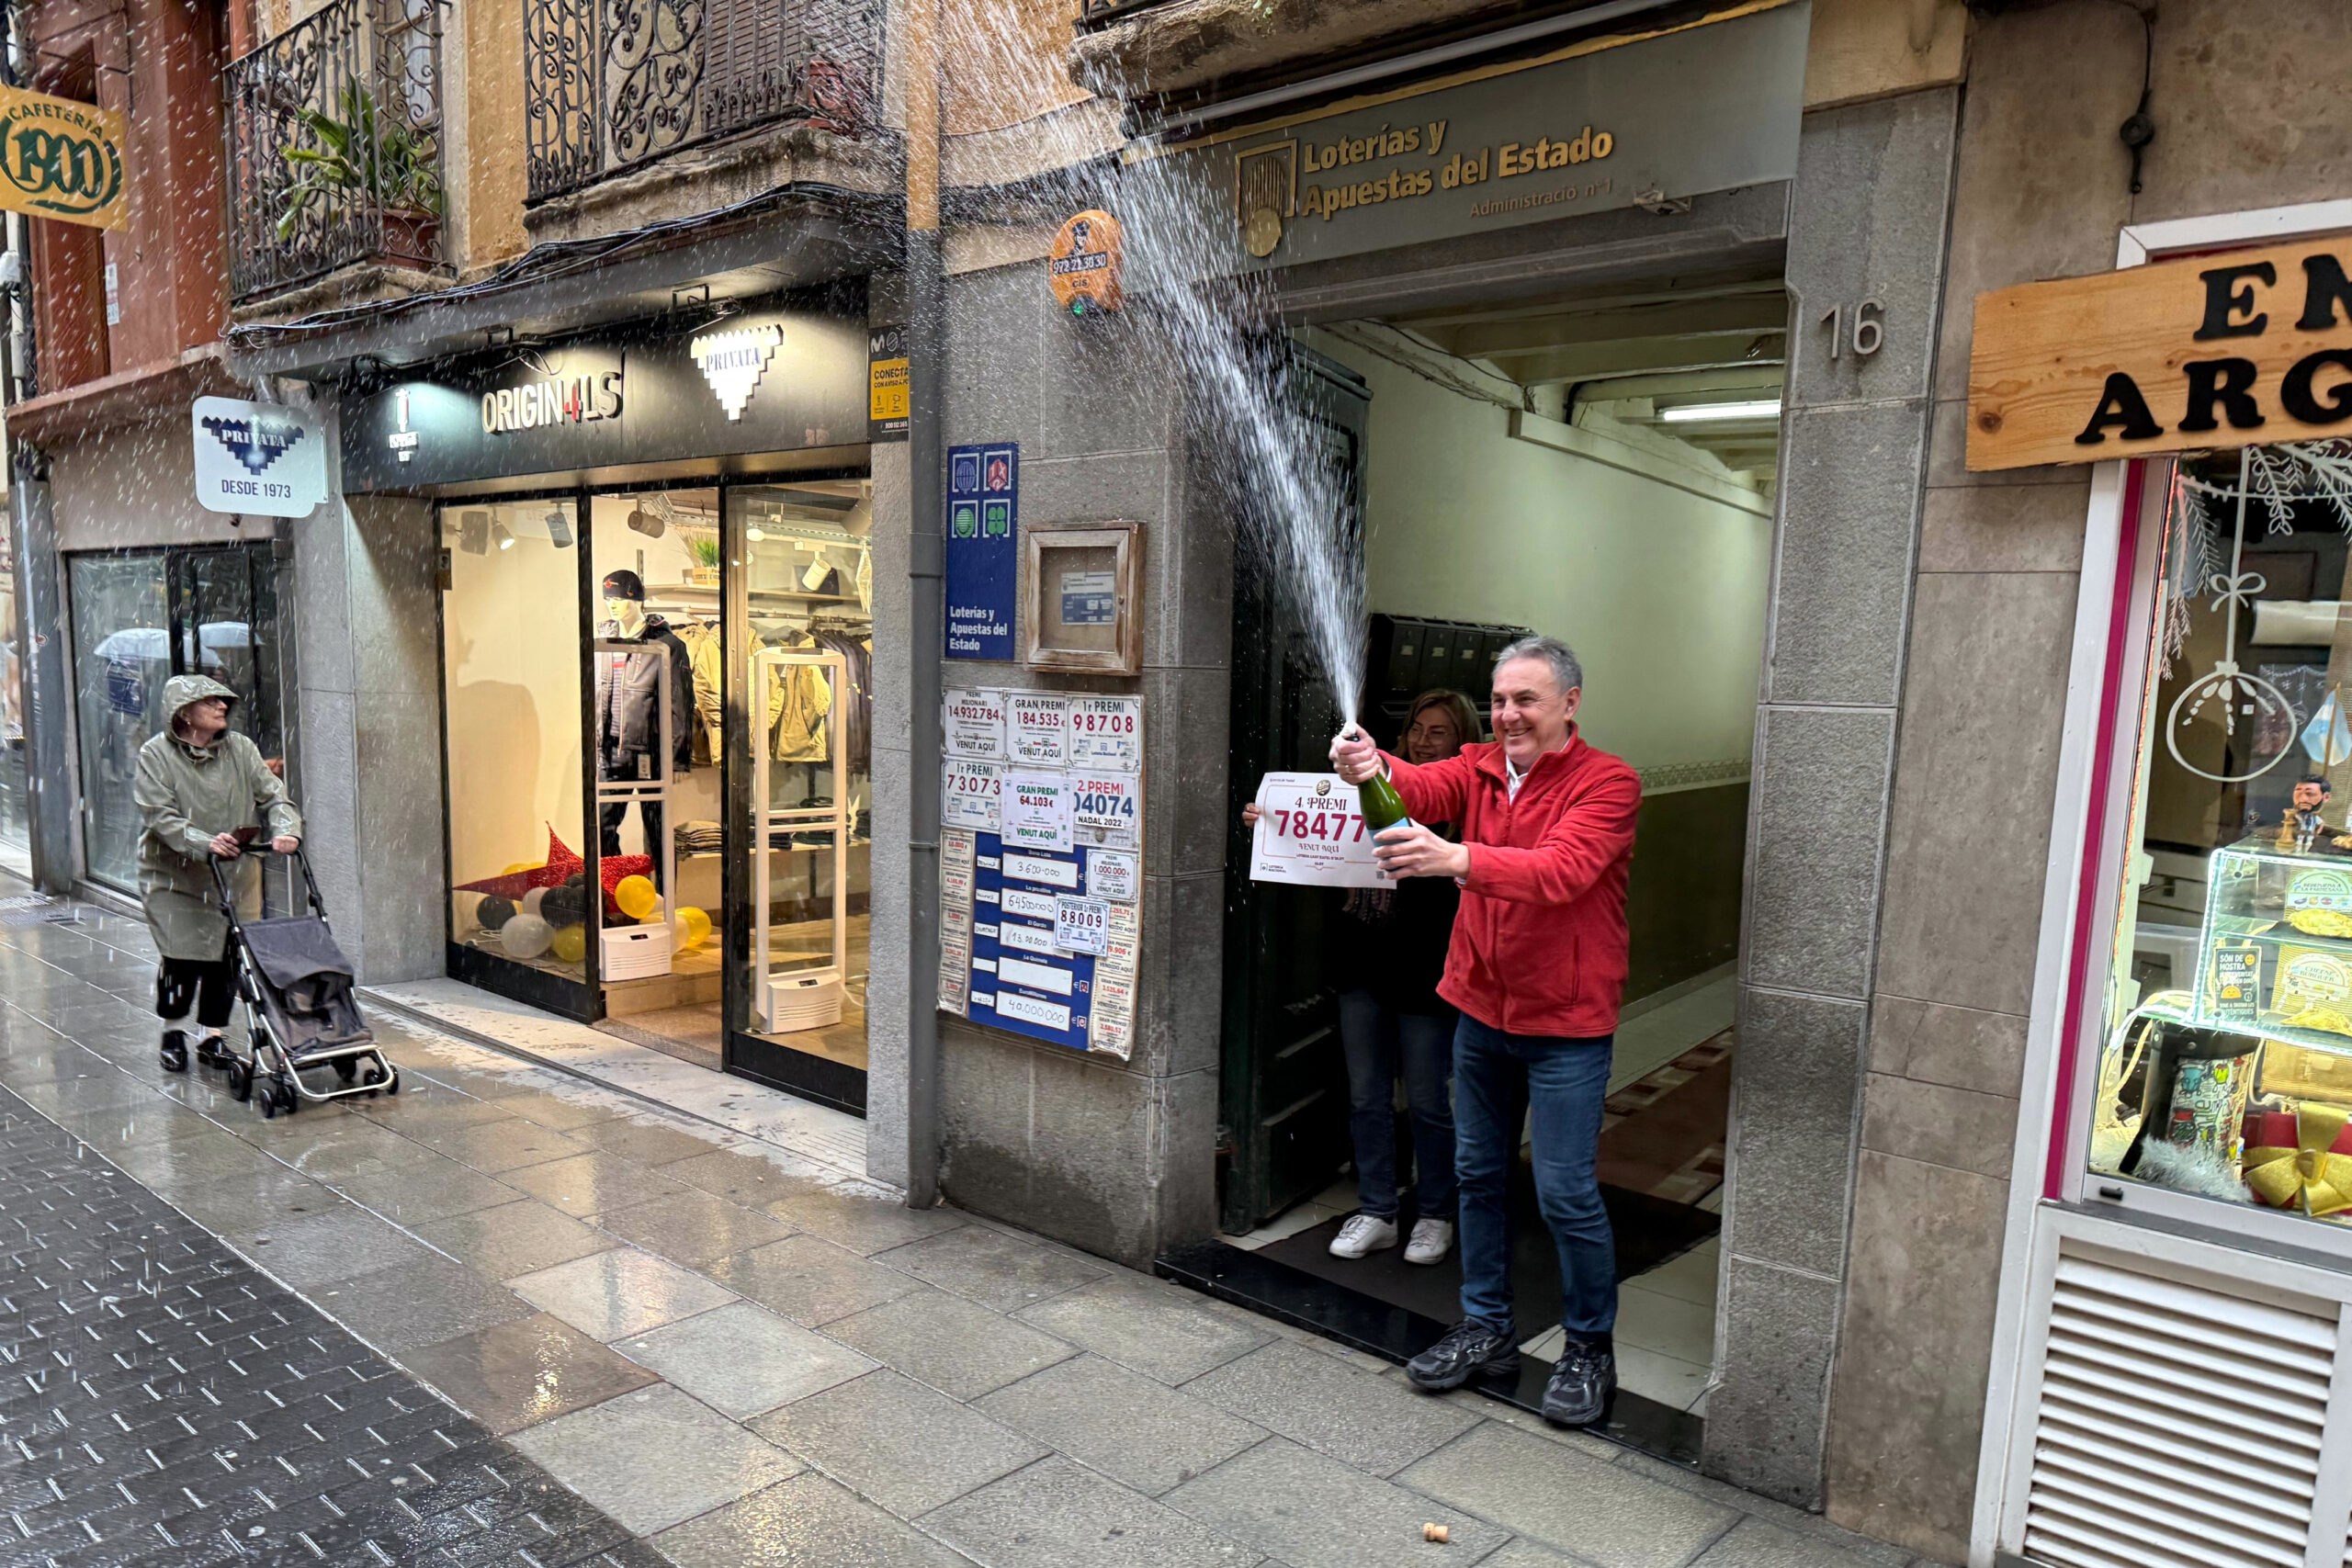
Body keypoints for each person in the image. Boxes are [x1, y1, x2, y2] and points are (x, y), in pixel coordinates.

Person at [1331, 635, 1640, 1428]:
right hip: (1479, 1012)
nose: (1509, 714)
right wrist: (1369, 763)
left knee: (1565, 1192)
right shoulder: (1476, 765)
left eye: (1526, 699)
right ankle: (1487, 1327)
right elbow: (1416, 782)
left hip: (1566, 1025)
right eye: (1500, 700)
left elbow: (1562, 871)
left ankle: (1588, 1349)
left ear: (1569, 704)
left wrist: (1458, 858)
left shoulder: (1608, 783)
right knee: (1476, 1176)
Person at [1247, 689, 1479, 1265]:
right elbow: (1317, 835)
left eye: (1439, 732)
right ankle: (1377, 1211)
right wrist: (1272, 821)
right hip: (1363, 967)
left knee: (1428, 1101)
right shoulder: (1367, 787)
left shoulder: (1466, 806)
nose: (1424, 741)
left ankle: (1436, 1215)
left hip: (1428, 973)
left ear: (1462, 741)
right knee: (1367, 1096)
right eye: (1417, 729)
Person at [134, 676, 301, 1074]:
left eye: (223, 701)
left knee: (227, 959)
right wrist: (204, 841)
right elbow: (159, 816)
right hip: (175, 877)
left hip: (235, 875)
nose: (222, 706)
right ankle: (173, 1031)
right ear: (182, 711)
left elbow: (274, 795)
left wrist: (287, 829)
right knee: (180, 958)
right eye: (210, 701)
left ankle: (211, 1036)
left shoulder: (241, 748)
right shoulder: (155, 754)